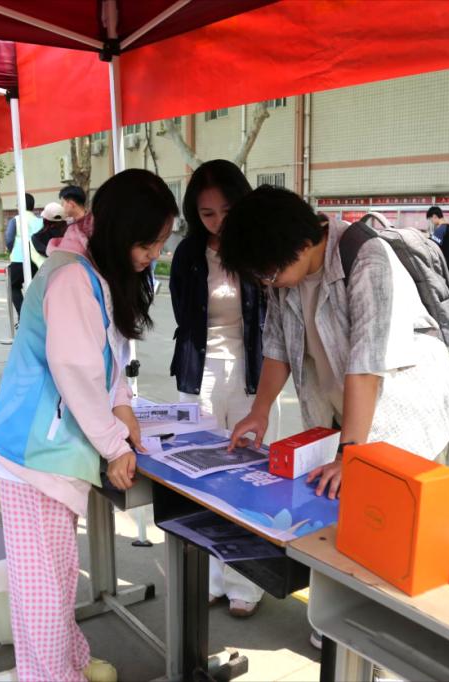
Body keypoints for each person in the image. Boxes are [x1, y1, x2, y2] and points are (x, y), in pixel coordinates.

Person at [0, 169, 177, 682]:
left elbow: (107, 358)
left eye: (160, 242)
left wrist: (125, 408)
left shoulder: (91, 268)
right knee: (44, 589)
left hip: (48, 450)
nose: (154, 254)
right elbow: (76, 372)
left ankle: (68, 660)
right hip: (33, 455)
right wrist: (115, 446)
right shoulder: (73, 277)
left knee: (58, 574)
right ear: (118, 232)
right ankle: (51, 674)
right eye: (147, 244)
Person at [219, 186, 449, 499]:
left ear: (303, 244)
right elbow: (278, 348)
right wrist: (260, 410)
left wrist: (350, 454)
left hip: (407, 418)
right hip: (348, 418)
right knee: (347, 510)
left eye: (269, 273)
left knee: (404, 512)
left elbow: (367, 364)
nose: (266, 282)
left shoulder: (366, 257)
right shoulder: (284, 278)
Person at [170, 160, 280, 618]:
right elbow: (183, 315)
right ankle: (211, 577)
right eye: (207, 213)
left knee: (250, 475)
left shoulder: (261, 249)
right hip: (201, 373)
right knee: (202, 477)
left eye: (226, 211)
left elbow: (276, 318)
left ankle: (246, 582)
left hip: (254, 373)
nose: (218, 221)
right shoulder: (188, 253)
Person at [4, 193, 44, 316]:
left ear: (20, 205)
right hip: (38, 260)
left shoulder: (16, 220)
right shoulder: (40, 221)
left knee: (13, 286)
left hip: (19, 259)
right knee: (35, 289)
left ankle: (23, 314)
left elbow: (9, 239)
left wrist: (12, 251)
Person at [427, 206, 449, 273]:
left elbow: (432, 245)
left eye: (431, 219)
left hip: (443, 264)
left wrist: (426, 238)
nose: (431, 221)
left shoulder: (441, 229)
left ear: (434, 216)